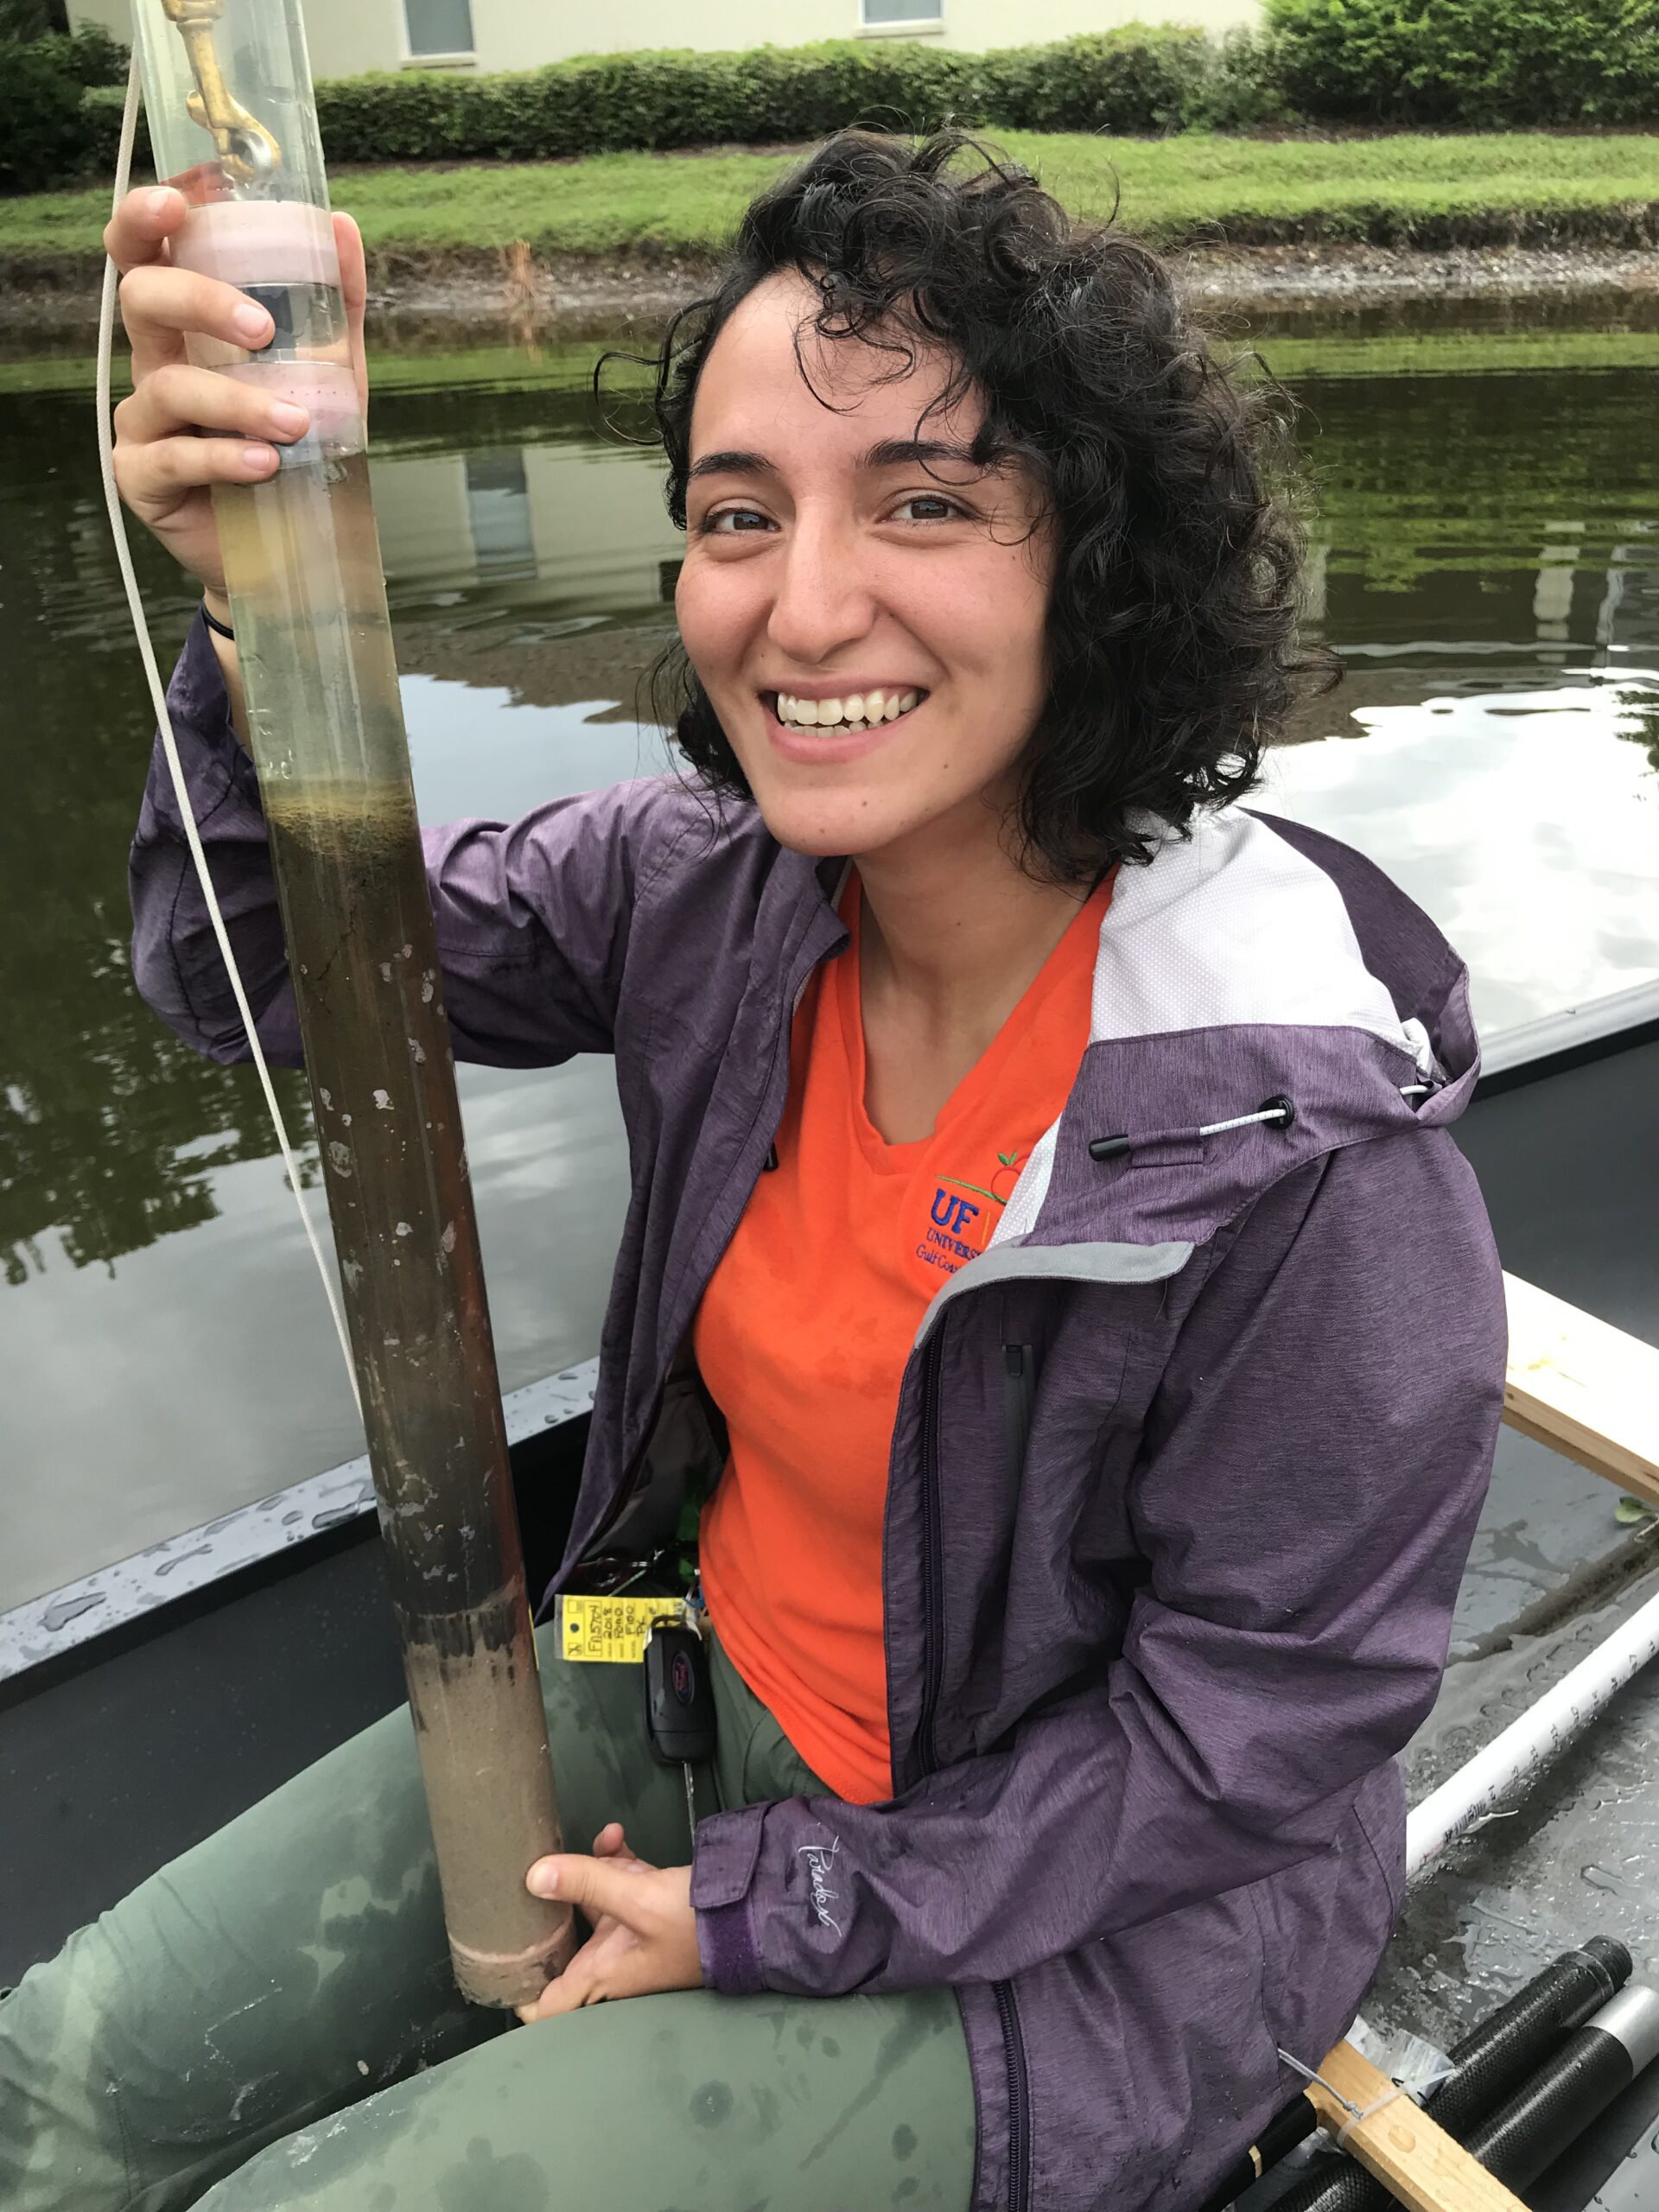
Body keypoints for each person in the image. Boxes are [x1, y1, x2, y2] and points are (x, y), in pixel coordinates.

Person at [0, 133, 1507, 2212]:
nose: (803, 605)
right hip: (687, 1690)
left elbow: (1243, 1744)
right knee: (65, 2079)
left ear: (1103, 561)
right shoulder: (709, 893)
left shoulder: (1300, 1144)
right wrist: (253, 591)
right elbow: (251, 971)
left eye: (928, 501)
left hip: (1085, 1940)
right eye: (737, 514)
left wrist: (761, 1908)